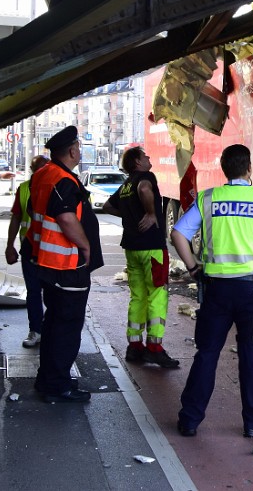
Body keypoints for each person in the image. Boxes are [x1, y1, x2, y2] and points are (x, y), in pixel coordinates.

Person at [173, 144, 253, 438]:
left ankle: (190, 420)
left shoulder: (208, 199)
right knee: (251, 355)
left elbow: (178, 233)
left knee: (207, 354)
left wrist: (193, 267)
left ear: (224, 169)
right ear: (249, 168)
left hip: (216, 291)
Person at [27, 125, 104, 404]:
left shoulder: (42, 174)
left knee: (54, 322)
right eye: (79, 148)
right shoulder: (63, 180)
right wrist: (85, 246)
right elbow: (67, 218)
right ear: (72, 151)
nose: (79, 151)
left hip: (48, 263)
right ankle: (57, 386)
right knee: (67, 326)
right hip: (66, 265)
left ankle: (48, 379)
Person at [102, 146, 179, 369]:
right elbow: (146, 190)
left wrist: (128, 215)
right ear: (137, 162)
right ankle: (154, 348)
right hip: (151, 247)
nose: (148, 157)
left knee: (137, 296)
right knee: (157, 294)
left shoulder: (126, 184)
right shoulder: (145, 177)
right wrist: (151, 213)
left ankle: (134, 346)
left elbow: (108, 206)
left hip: (131, 247)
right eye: (144, 156)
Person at [5, 155, 50, 348]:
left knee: (51, 292)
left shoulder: (55, 188)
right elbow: (16, 217)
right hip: (29, 249)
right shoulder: (24, 189)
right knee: (33, 291)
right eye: (39, 169)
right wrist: (9, 245)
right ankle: (36, 330)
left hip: (51, 251)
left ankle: (48, 328)